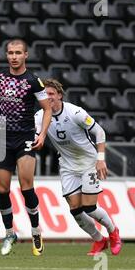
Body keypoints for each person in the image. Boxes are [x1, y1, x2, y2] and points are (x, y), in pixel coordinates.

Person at [34, 78, 122, 256]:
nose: (48, 97)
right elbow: (37, 136)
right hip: (67, 165)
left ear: (59, 95)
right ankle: (99, 240)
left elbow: (100, 131)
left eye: (51, 93)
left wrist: (101, 158)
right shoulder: (39, 116)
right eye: (45, 94)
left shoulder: (75, 112)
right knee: (75, 208)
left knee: (90, 207)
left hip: (88, 162)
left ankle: (113, 232)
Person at [0, 39, 52, 256]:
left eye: (18, 53)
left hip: (24, 137)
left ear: (26, 55)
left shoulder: (33, 81)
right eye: (10, 53)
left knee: (26, 186)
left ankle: (35, 230)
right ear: (7, 55)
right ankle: (9, 232)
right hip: (3, 138)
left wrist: (42, 133)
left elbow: (47, 109)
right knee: (2, 189)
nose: (14, 57)